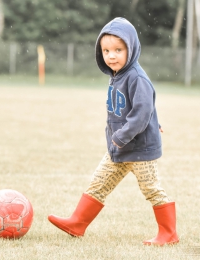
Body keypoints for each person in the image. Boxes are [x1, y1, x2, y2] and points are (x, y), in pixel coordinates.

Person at [48, 17, 179, 246]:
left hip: (139, 149)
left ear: (132, 48)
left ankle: (169, 233)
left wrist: (122, 136)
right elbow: (137, 108)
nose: (111, 56)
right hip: (119, 147)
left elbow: (142, 111)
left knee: (151, 189)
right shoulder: (117, 76)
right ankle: (77, 223)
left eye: (118, 50)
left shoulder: (137, 78)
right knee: (98, 183)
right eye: (106, 50)